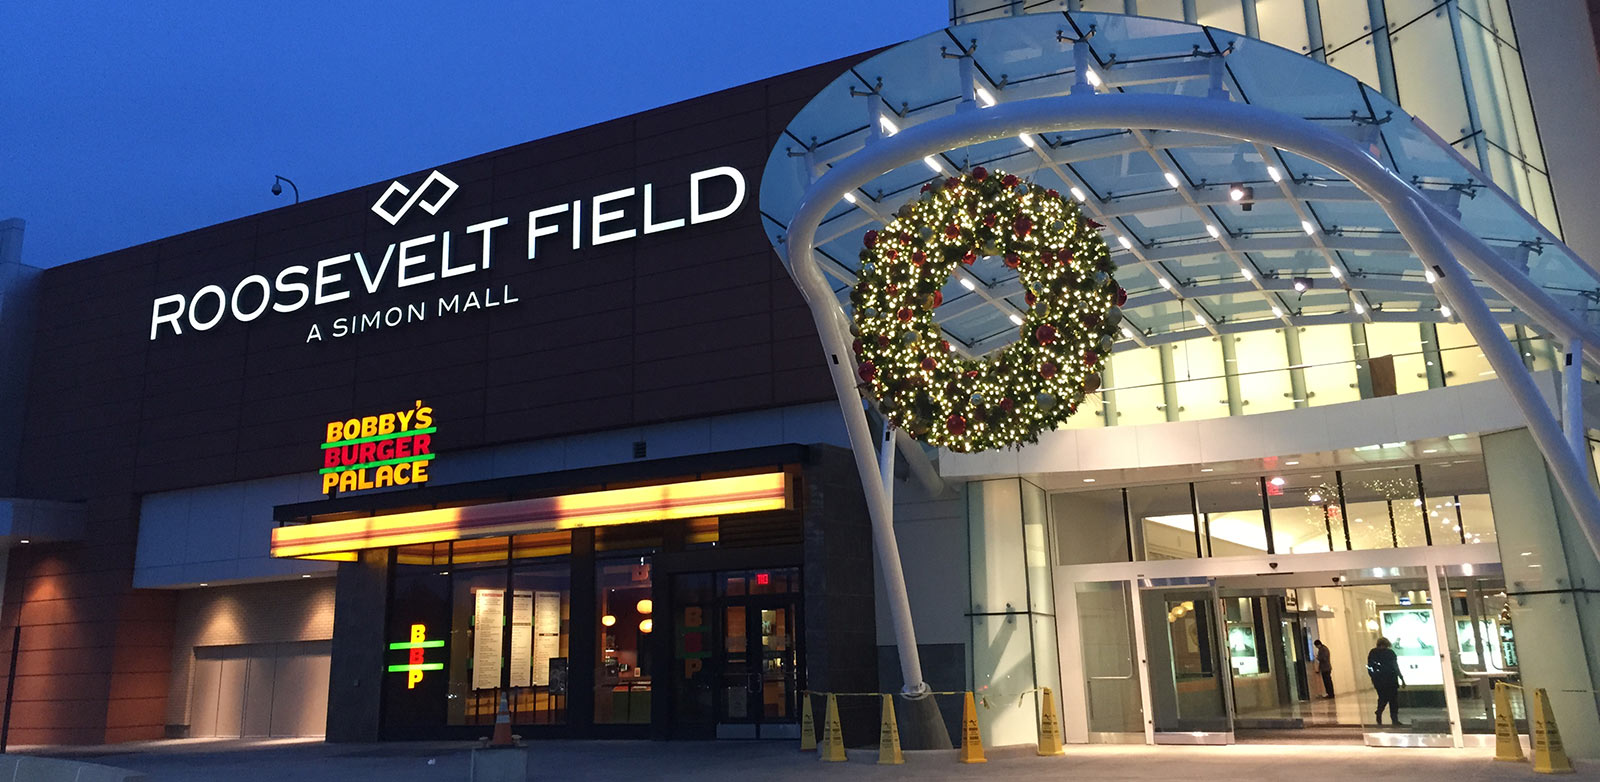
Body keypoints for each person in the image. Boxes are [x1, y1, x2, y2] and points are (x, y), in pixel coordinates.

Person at [1367, 637, 1406, 726]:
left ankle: (1379, 712)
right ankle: (1394, 719)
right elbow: (1395, 666)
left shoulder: (1373, 652)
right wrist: (1401, 678)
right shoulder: (1390, 653)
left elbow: (1370, 667)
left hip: (1379, 680)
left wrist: (1373, 677)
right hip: (1391, 679)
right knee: (1393, 700)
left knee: (1382, 698)